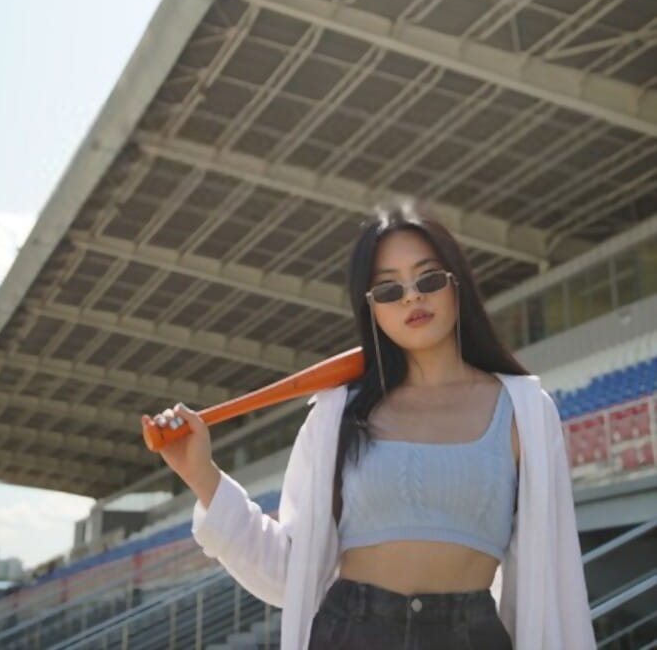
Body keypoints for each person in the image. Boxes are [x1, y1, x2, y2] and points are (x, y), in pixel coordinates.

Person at [145, 199, 596, 649]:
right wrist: (200, 475)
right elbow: (289, 572)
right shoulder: (338, 415)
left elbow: (555, 577)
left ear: (458, 286)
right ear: (372, 309)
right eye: (388, 290)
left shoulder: (527, 412)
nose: (412, 296)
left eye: (429, 278)